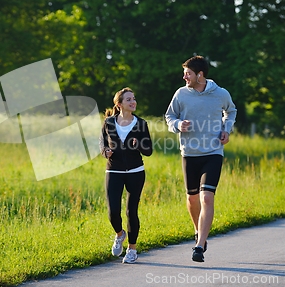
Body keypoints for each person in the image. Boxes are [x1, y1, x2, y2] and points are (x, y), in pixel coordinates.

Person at [165, 55, 237, 262]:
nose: (184, 77)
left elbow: (231, 111)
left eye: (188, 73)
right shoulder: (181, 94)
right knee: (192, 198)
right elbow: (170, 116)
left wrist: (226, 129)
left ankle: (199, 245)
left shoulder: (220, 93)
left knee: (207, 197)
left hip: (213, 152)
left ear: (200, 74)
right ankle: (199, 232)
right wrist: (178, 125)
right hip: (189, 153)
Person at [99, 87, 153, 264]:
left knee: (131, 212)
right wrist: (105, 151)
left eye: (134, 99)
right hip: (114, 170)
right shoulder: (108, 122)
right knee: (113, 211)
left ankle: (132, 249)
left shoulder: (141, 124)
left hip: (136, 172)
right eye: (128, 99)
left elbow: (149, 150)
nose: (133, 102)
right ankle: (119, 234)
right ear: (119, 104)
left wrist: (139, 145)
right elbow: (102, 143)